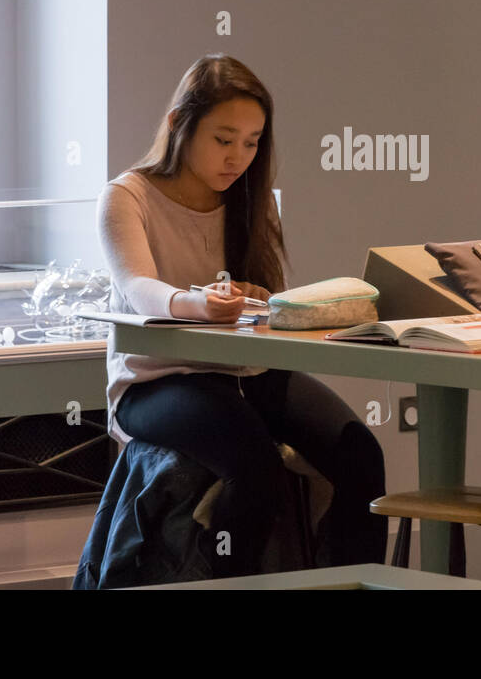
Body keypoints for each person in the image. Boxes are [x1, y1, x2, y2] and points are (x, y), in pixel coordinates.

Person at [96, 53, 387, 578]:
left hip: (243, 370)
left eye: (252, 143)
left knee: (361, 454)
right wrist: (199, 303)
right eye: (223, 139)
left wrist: (254, 298)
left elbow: (262, 301)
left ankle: (352, 583)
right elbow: (138, 288)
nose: (238, 157)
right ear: (178, 125)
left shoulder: (252, 200)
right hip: (157, 381)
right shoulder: (126, 197)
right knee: (254, 466)